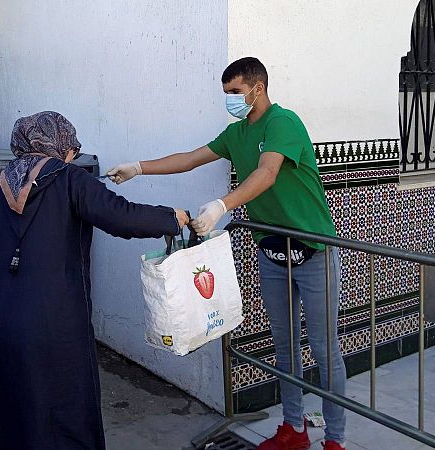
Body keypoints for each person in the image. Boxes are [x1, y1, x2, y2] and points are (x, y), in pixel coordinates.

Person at [107, 57, 347, 450]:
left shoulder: (283, 123)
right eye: (226, 94)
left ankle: (335, 439)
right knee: (284, 346)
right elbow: (189, 158)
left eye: (235, 92)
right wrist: (138, 167)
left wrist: (223, 204)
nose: (231, 100)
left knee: (323, 348)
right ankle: (294, 431)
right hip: (272, 250)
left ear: (258, 88)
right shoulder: (236, 133)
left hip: (313, 249)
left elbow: (268, 172)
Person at [0, 111, 190, 450]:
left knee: (18, 414)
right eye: (71, 149)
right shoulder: (69, 179)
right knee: (67, 416)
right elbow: (121, 216)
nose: (71, 156)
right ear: (59, 145)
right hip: (56, 324)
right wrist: (171, 218)